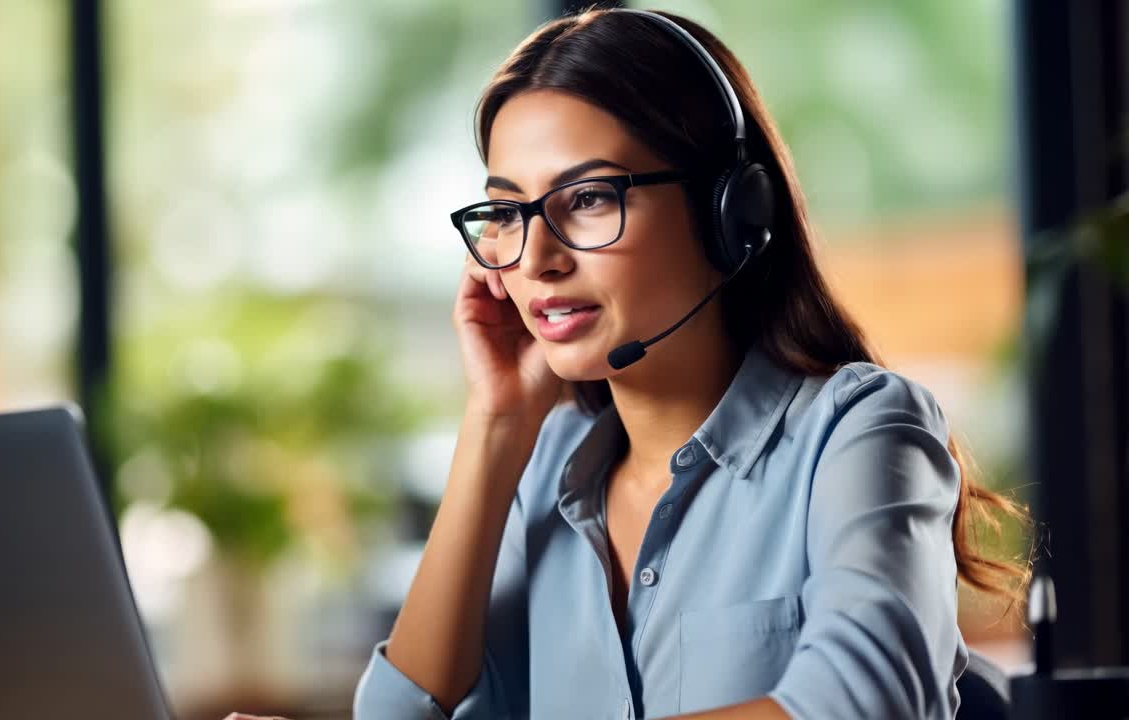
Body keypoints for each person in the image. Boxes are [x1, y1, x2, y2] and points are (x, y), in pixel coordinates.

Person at [342, 8, 1029, 720]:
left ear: (729, 213)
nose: (538, 260)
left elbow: (862, 704)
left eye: (587, 199)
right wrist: (496, 424)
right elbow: (396, 714)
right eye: (509, 214)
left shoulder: (857, 431)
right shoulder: (542, 473)